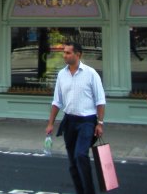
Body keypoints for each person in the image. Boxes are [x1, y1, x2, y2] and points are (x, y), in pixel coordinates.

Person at [45, 40, 106, 194]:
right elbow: (57, 101)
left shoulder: (91, 73)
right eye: (64, 52)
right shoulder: (61, 74)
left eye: (67, 52)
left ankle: (89, 191)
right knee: (73, 162)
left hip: (87, 121)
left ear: (78, 54)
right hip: (70, 121)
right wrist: (50, 123)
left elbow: (100, 100)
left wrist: (99, 123)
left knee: (80, 155)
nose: (64, 55)